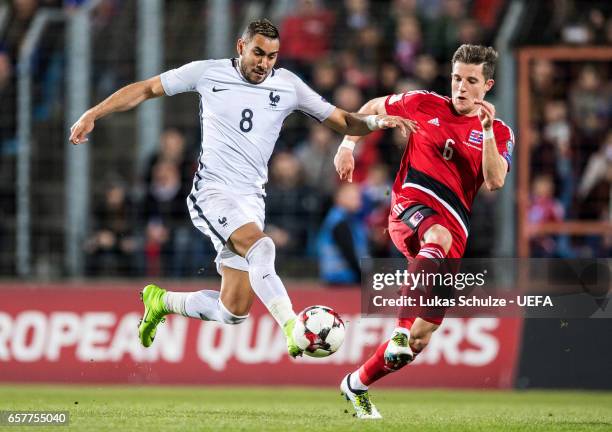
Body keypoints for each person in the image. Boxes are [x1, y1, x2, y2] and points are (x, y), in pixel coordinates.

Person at [69, 19, 416, 358]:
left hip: (252, 200)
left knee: (232, 311)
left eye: (271, 56)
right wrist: (94, 113)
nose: (264, 63)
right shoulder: (208, 72)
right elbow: (146, 88)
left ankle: (162, 301)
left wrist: (374, 121)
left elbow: (341, 119)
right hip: (213, 191)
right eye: (258, 53)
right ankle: (292, 327)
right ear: (241, 47)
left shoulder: (288, 85)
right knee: (262, 247)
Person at [334, 44, 515, 418]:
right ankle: (398, 330)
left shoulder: (498, 130)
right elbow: (369, 107)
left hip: (453, 228)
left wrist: (486, 133)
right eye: (456, 78)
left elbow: (495, 181)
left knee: (420, 339)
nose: (461, 87)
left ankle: (356, 384)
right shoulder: (421, 102)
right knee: (436, 239)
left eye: (471, 81)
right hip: (408, 209)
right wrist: (347, 144)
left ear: (488, 85)